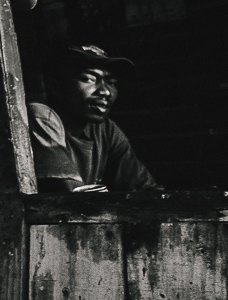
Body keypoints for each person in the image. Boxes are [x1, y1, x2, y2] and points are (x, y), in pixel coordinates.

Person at [28, 43, 158, 193]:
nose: (106, 92)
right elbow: (74, 199)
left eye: (111, 82)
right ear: (55, 86)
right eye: (89, 79)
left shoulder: (105, 129)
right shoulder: (41, 116)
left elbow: (147, 190)